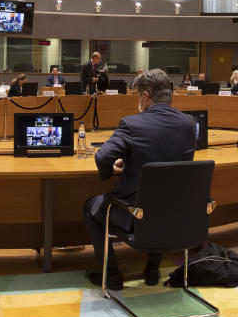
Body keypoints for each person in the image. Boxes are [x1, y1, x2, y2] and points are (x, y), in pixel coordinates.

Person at [83, 68, 196, 290]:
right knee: (163, 195)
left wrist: (109, 174)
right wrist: (133, 159)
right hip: (174, 213)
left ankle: (111, 274)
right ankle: (152, 269)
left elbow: (103, 156)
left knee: (90, 207)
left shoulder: (132, 124)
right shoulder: (189, 124)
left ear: (145, 95)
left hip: (135, 215)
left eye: (138, 96)